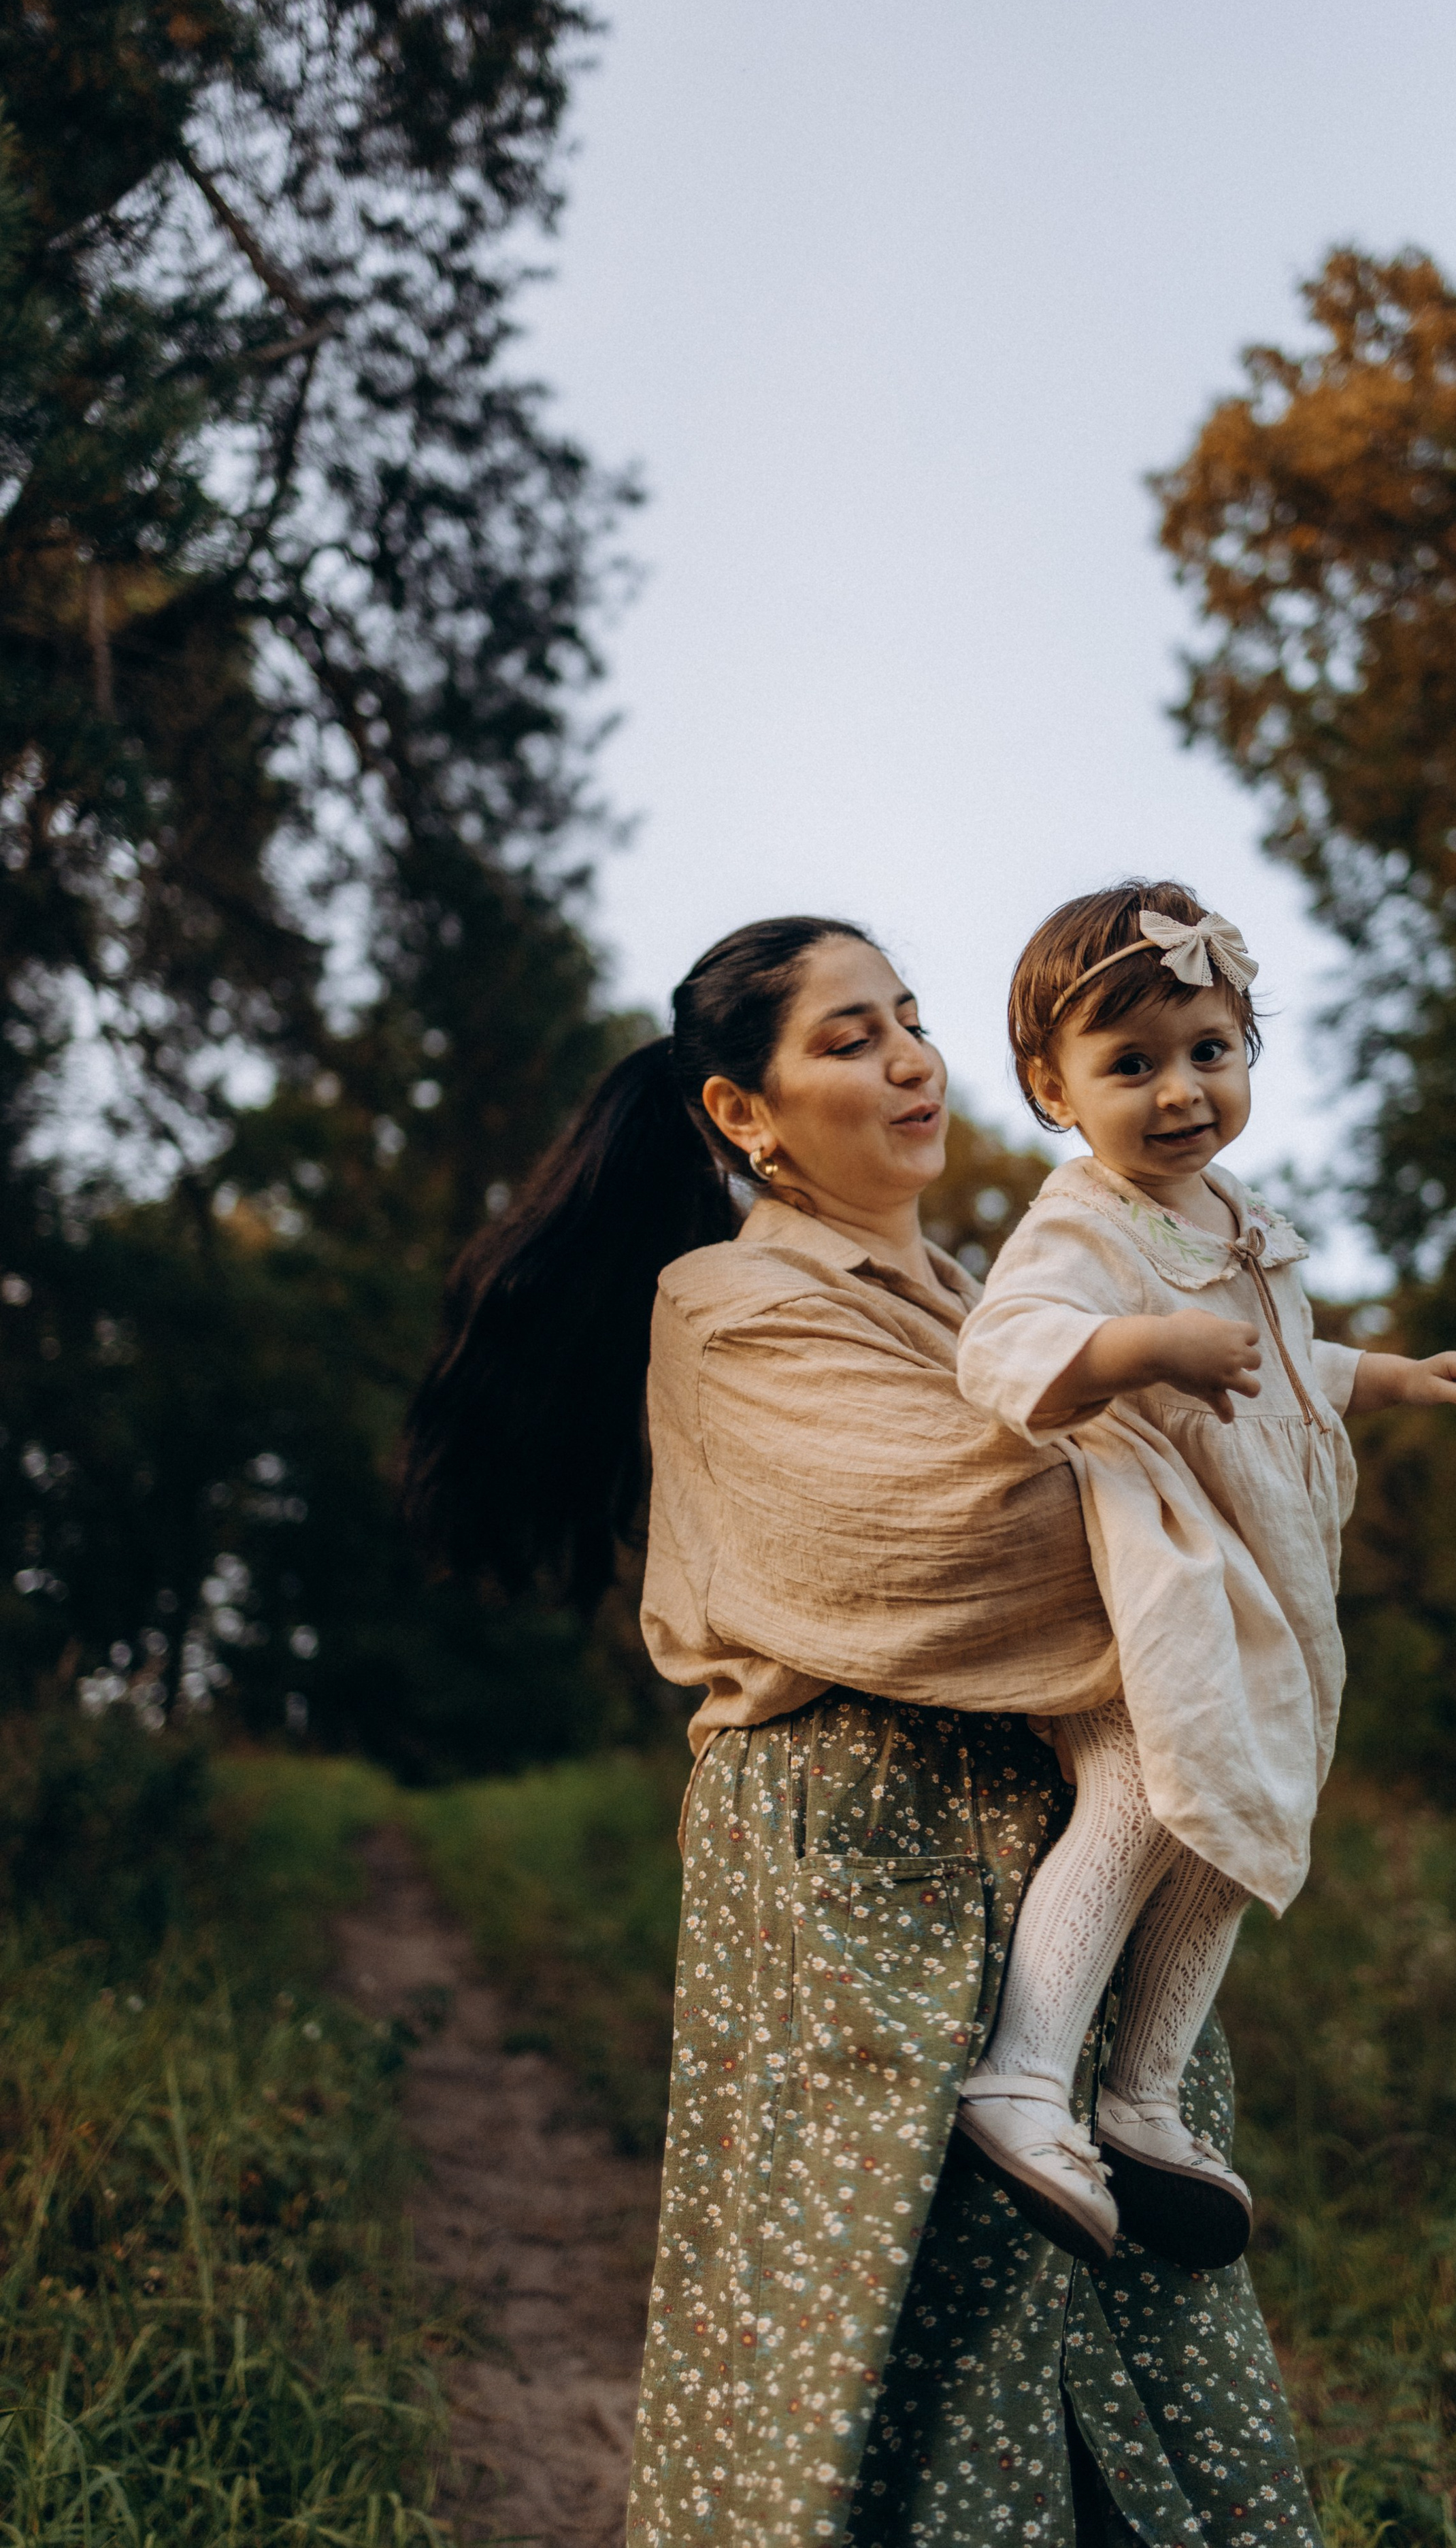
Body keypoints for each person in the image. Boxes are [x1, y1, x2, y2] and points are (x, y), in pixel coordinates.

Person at [403, 912, 1329, 2548]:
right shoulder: (729, 1303)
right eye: (846, 1037)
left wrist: (1222, 1436)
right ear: (740, 1115)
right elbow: (964, 1542)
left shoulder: (990, 1293)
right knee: (876, 2355)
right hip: (853, 1867)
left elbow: (1155, 1481)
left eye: (907, 1017)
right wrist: (1232, 1482)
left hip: (1056, 1839)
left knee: (1116, 2333)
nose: (909, 1056)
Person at [951, 880, 1456, 2273]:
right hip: (1155, 1560)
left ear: (1248, 1049)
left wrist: (1389, 1374)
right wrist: (1138, 1351)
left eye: (1207, 1050)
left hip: (1259, 1574)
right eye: (1128, 1066)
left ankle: (1142, 2095)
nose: (1178, 1091)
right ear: (1052, 1092)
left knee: (1238, 1816)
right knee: (1146, 1787)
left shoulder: (1234, 1217)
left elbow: (1276, 1370)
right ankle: (1023, 2078)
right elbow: (1004, 1345)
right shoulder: (1086, 1223)